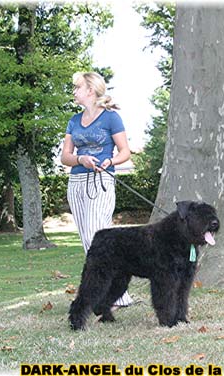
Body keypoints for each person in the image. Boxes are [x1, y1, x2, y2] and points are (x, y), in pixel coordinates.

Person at [61, 71, 133, 307]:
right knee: (87, 240)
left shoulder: (111, 118)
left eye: (77, 87)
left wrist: (109, 161)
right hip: (77, 184)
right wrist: (81, 160)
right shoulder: (73, 121)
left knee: (99, 235)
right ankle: (107, 293)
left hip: (101, 182)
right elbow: (65, 157)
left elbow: (125, 152)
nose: (75, 91)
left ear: (90, 90)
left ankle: (117, 294)